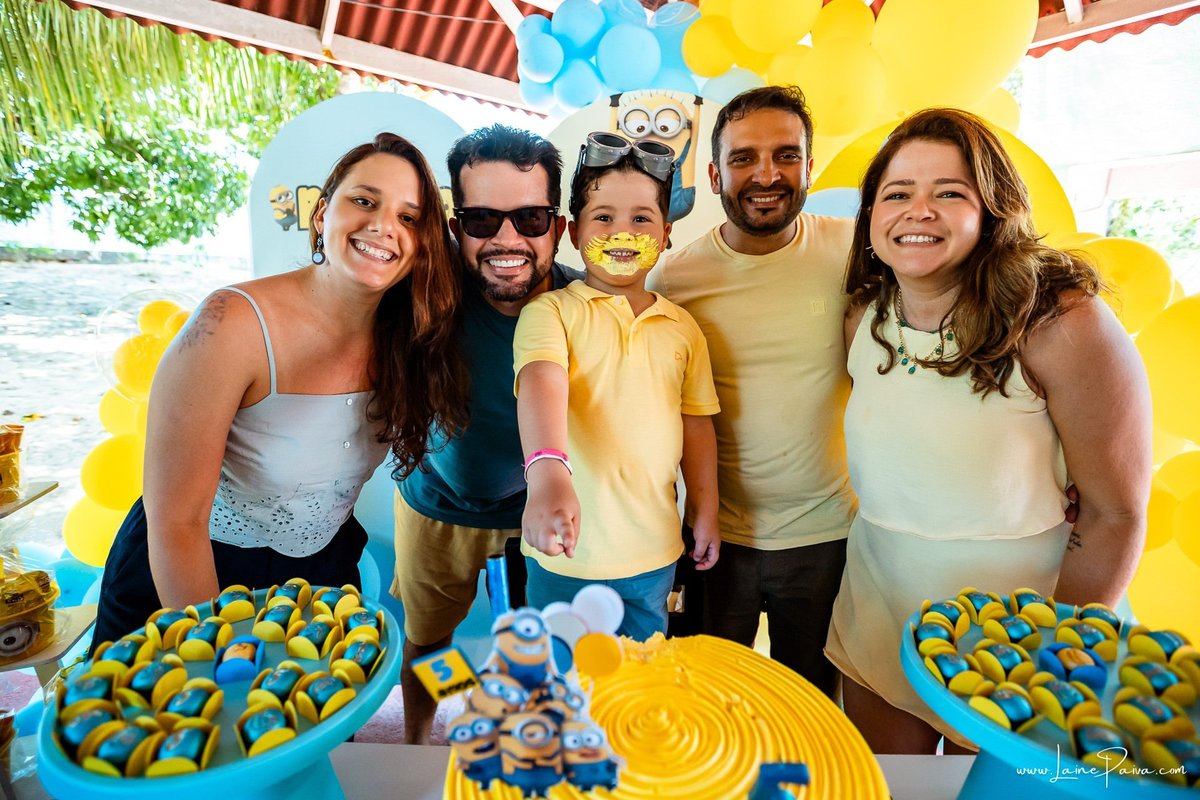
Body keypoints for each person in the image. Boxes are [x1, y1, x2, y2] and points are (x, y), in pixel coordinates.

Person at [824, 108, 1152, 754]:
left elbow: (1115, 513)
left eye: (949, 192)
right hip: (877, 613)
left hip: (1017, 642)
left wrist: (1056, 656)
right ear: (872, 217)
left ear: (993, 210)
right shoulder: (863, 316)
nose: (919, 211)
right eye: (897, 194)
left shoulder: (1061, 323)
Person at [92, 132, 468, 649]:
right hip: (186, 578)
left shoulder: (412, 337)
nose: (384, 226)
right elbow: (177, 522)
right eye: (364, 201)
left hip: (319, 582)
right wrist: (218, 654)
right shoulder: (230, 323)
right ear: (322, 213)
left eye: (409, 218)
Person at [646, 86, 854, 697]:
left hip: (827, 536)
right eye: (743, 158)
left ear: (810, 168)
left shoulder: (854, 252)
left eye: (786, 155)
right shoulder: (673, 277)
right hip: (715, 538)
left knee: (810, 705)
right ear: (714, 176)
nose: (766, 175)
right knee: (709, 702)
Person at [391, 124, 580, 744]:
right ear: (456, 226)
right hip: (434, 507)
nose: (507, 239)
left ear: (558, 226)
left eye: (529, 218)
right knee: (430, 640)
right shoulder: (423, 294)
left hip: (535, 517)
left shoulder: (586, 305)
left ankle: (527, 741)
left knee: (536, 648)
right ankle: (421, 737)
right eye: (481, 220)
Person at [515, 132, 720, 640]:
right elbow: (541, 381)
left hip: (654, 556)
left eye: (641, 219)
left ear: (666, 234)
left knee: (641, 675)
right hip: (565, 553)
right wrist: (547, 475)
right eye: (603, 217)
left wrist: (706, 509)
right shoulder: (550, 312)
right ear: (574, 233)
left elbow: (697, 426)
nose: (622, 232)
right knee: (561, 676)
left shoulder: (684, 329)